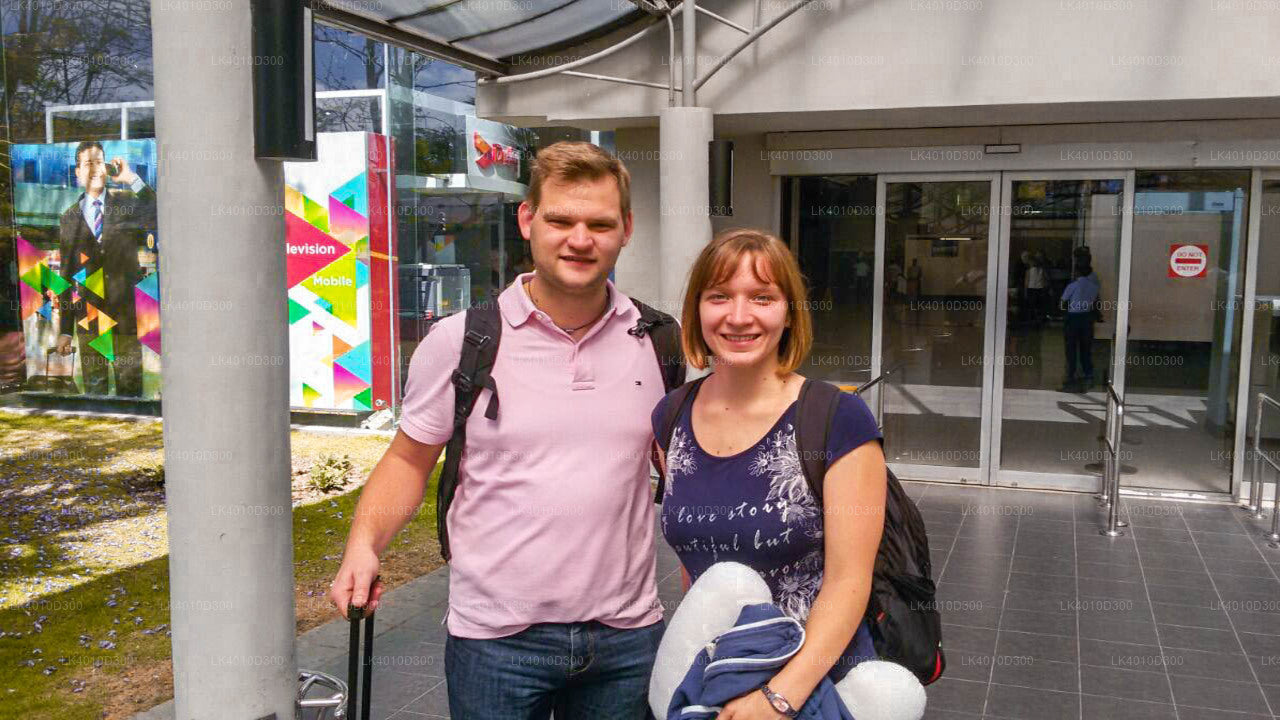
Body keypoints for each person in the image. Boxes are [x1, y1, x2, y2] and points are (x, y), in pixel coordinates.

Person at [329, 142, 670, 720]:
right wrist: (363, 546)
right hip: (497, 643)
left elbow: (684, 466)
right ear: (527, 219)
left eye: (599, 224)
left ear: (626, 229)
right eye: (560, 220)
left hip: (627, 638)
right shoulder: (462, 340)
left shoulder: (659, 340)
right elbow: (408, 460)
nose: (580, 239)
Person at [653, 228, 888, 718]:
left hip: (813, 682)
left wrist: (777, 699)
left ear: (789, 312)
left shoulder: (836, 419)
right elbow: (696, 566)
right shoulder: (671, 416)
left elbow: (849, 581)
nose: (739, 316)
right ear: (697, 309)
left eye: (762, 297)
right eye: (719, 296)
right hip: (718, 676)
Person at [54, 141, 155, 396]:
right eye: (88, 163)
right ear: (78, 172)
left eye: (99, 162)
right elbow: (65, 276)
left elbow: (156, 209)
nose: (95, 168)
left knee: (130, 391)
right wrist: (65, 331)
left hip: (125, 315)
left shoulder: (126, 204)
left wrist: (131, 178)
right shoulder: (68, 218)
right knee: (95, 392)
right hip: (88, 317)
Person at [1060, 261, 1101, 393]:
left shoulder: (1073, 285)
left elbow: (1062, 302)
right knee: (1086, 348)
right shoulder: (1094, 287)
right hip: (1087, 318)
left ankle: (1071, 374)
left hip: (1073, 318)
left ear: (1077, 272)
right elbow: (1095, 303)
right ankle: (1088, 374)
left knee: (1071, 348)